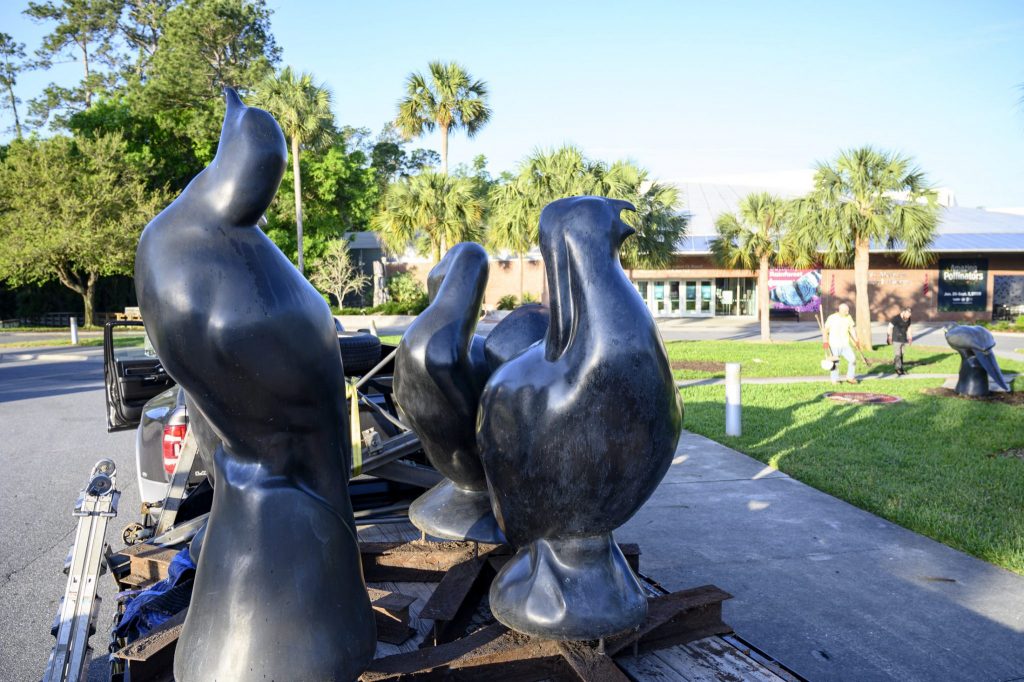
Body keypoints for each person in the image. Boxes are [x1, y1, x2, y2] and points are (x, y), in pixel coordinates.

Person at [823, 303, 860, 385]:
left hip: (845, 344)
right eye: (845, 311)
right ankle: (834, 380)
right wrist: (825, 341)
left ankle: (850, 377)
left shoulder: (848, 317)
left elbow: (852, 329)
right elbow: (825, 330)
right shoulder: (832, 318)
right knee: (835, 363)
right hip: (834, 344)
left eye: (848, 311)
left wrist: (856, 340)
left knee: (852, 359)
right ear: (840, 310)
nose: (847, 312)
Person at [887, 308, 913, 375]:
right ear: (903, 312)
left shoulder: (908, 319)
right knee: (898, 354)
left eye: (909, 315)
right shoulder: (896, 318)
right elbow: (890, 327)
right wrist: (889, 336)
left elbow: (909, 327)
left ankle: (901, 369)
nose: (907, 317)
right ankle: (897, 369)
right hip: (896, 338)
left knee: (902, 354)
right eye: (907, 315)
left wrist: (910, 337)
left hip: (903, 339)